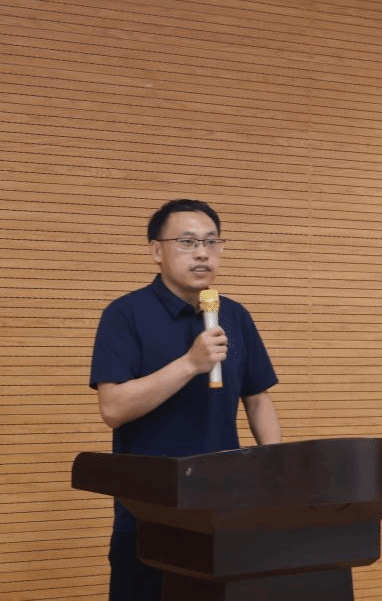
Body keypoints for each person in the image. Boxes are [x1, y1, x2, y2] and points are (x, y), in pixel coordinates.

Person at [89, 198, 282, 601]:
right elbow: (113, 408)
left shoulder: (234, 315)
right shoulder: (125, 314)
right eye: (188, 242)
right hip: (149, 510)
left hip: (225, 506)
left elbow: (257, 399)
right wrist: (190, 364)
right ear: (156, 251)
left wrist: (277, 471)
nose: (202, 253)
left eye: (212, 242)